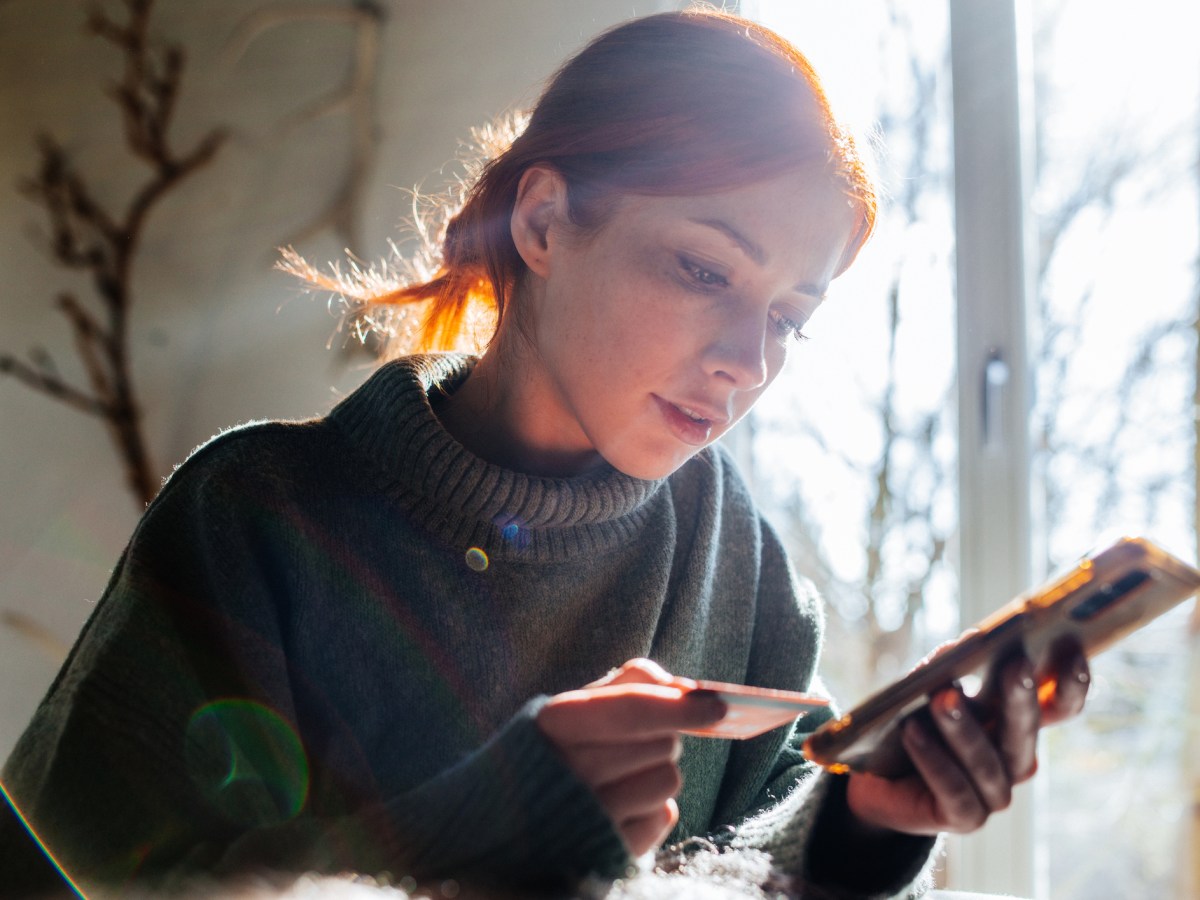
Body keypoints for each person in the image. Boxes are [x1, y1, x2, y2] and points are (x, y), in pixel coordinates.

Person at [0, 8, 1090, 898]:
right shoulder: (254, 517)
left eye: (790, 317)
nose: (747, 360)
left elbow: (753, 870)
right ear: (543, 223)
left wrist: (860, 826)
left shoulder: (738, 556)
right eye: (705, 272)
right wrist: (478, 835)